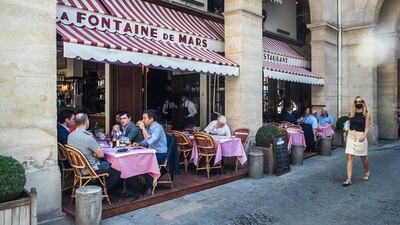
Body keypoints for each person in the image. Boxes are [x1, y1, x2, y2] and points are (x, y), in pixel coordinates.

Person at [67, 113, 120, 189]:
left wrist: (92, 153)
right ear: (86, 122)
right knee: (117, 168)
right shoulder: (88, 137)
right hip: (91, 169)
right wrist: (94, 153)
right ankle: (100, 189)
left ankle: (95, 183)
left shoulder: (70, 135)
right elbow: (101, 155)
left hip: (78, 168)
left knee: (108, 163)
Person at [133, 109, 168, 197]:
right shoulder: (148, 127)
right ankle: (140, 186)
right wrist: (139, 143)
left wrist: (143, 128)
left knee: (146, 164)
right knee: (137, 162)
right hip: (151, 152)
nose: (143, 120)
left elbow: (150, 141)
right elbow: (145, 142)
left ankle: (148, 187)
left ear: (151, 119)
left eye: (145, 118)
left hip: (160, 153)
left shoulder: (158, 128)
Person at [342, 96, 371, 187]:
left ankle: (366, 170)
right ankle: (349, 179)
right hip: (351, 135)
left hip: (360, 135)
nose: (358, 103)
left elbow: (367, 127)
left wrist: (364, 136)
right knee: (349, 157)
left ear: (363, 102)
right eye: (356, 102)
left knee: (363, 157)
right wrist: (345, 135)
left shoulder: (366, 113)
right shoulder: (351, 113)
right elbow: (348, 125)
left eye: (360, 101)